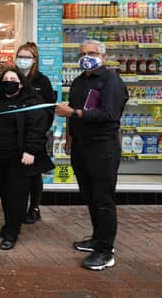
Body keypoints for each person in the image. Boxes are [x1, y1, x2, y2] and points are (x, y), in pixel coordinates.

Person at [56, 39, 128, 271]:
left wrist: (74, 112)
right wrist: (69, 138)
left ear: (104, 56)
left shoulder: (112, 81)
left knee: (103, 199)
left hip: (102, 147)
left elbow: (108, 114)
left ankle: (106, 251)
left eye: (92, 53)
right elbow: (71, 113)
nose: (86, 56)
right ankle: (97, 238)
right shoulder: (79, 81)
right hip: (81, 146)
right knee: (89, 195)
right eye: (83, 53)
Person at [0, 66, 54, 251]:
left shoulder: (31, 101)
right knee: (5, 195)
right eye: (6, 79)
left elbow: (37, 127)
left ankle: (12, 233)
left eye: (13, 79)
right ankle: (10, 224)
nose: (9, 82)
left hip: (19, 159)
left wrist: (31, 150)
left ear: (20, 82)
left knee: (16, 196)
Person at [15, 42, 56, 224]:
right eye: (20, 57)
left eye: (27, 57)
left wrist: (40, 132)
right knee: (18, 174)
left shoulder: (42, 81)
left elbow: (48, 110)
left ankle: (34, 207)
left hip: (35, 135)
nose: (22, 60)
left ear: (34, 60)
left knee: (34, 173)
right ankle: (19, 207)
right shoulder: (11, 78)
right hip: (15, 135)